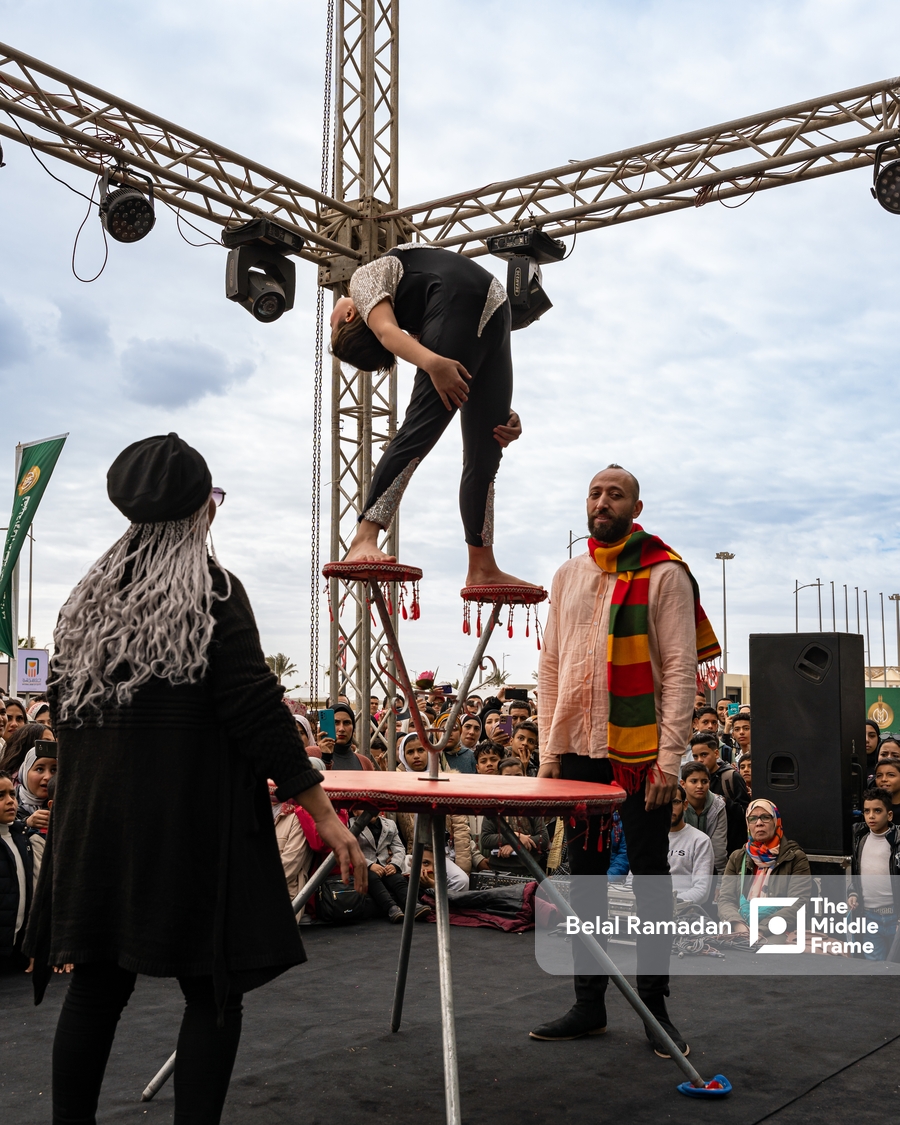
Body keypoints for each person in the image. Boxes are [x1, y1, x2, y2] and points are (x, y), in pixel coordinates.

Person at [25, 433, 367, 1125]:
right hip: (189, 825)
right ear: (199, 510)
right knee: (212, 992)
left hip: (96, 827)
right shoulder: (213, 592)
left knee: (95, 989)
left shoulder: (83, 602)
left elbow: (64, 712)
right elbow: (256, 709)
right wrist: (325, 813)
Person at [533, 465, 720, 1053]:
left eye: (615, 494)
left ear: (636, 508)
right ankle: (588, 1004)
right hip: (576, 751)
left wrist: (669, 761)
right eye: (595, 492)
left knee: (650, 880)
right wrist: (548, 751)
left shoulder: (665, 573)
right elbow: (550, 665)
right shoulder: (568, 574)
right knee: (585, 879)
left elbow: (680, 672)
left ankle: (655, 1011)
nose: (602, 501)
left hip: (641, 756)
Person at [332, 244, 530, 587]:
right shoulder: (396, 305)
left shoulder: (368, 280)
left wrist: (488, 403)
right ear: (349, 316)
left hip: (484, 308)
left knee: (451, 440)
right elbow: (389, 333)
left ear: (351, 315)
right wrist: (440, 367)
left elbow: (389, 333)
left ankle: (479, 565)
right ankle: (365, 539)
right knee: (465, 443)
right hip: (486, 306)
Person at [717, 799, 812, 945]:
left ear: (776, 822)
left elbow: (798, 903)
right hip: (741, 926)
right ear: (748, 824)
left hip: (779, 929)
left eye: (765, 817)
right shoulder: (737, 857)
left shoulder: (795, 858)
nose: (759, 823)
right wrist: (738, 925)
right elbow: (725, 899)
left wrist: (761, 929)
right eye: (753, 818)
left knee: (764, 948)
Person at [350, 808, 429, 923]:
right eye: (363, 808)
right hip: (364, 866)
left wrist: (394, 864)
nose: (370, 811)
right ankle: (391, 908)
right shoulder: (351, 825)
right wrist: (370, 865)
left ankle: (413, 905)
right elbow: (351, 850)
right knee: (372, 878)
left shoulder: (390, 824)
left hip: (385, 864)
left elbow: (399, 847)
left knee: (397, 879)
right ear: (354, 812)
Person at [848, 787, 900, 960]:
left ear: (889, 815)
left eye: (877, 811)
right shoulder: (860, 838)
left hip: (895, 917)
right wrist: (853, 893)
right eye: (867, 811)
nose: (871, 816)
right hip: (869, 916)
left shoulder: (897, 841)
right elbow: (857, 874)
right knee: (874, 967)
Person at [0, 769, 41, 973]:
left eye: (12, 794)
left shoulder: (21, 837)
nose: (10, 801)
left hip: (16, 953)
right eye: (1, 796)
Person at [690, 731, 748, 853]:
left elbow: (746, 813)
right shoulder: (691, 781)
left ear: (716, 753)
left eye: (704, 755)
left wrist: (723, 801)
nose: (699, 760)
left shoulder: (730, 777)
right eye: (695, 756)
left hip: (731, 849)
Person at [667, 785, 714, 905]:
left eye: (675, 802)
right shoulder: (649, 839)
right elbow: (633, 880)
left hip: (684, 909)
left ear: (685, 805)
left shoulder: (700, 840)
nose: (670, 808)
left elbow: (701, 891)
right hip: (649, 906)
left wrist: (668, 903)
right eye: (665, 803)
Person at [681, 762, 727, 875]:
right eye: (694, 781)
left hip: (710, 870)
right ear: (683, 784)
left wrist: (718, 881)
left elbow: (719, 849)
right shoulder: (676, 805)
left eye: (704, 781)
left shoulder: (718, 807)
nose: (700, 786)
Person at [15, 743, 57, 835]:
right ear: (25, 772)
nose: (48, 777)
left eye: (54, 770)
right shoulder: (8, 800)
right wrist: (25, 823)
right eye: (39, 769)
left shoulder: (64, 804)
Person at [319, 702, 375, 771]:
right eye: (336, 722)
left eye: (347, 723)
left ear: (353, 727)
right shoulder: (312, 754)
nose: (341, 729)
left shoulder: (364, 763)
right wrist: (326, 758)